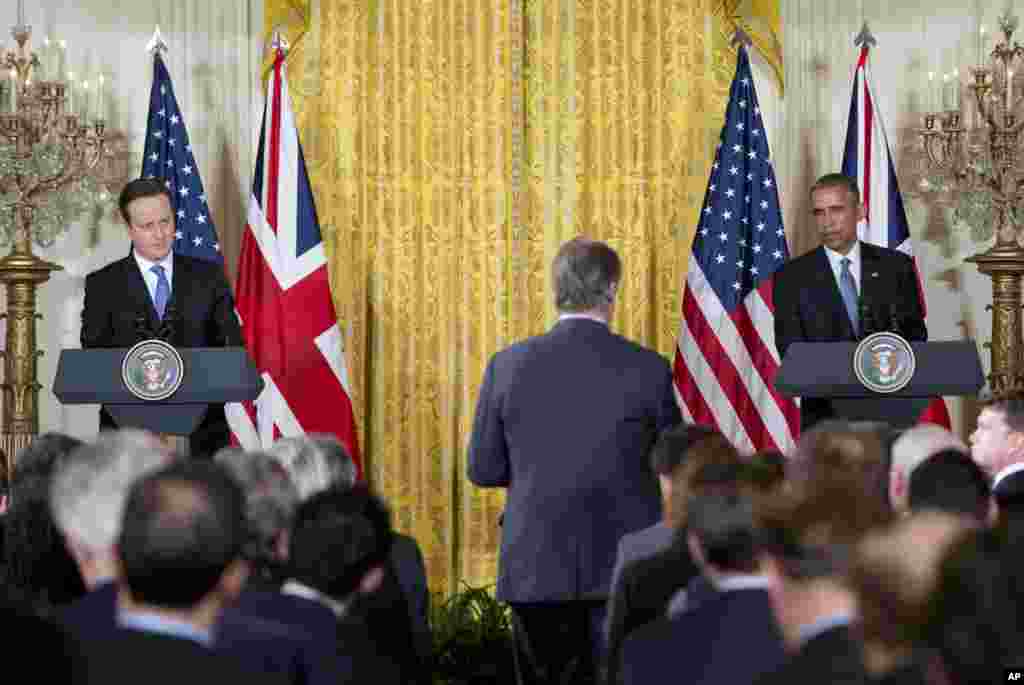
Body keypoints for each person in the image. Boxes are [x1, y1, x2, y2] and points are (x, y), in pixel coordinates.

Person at [468, 237, 681, 684]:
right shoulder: (649, 368)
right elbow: (674, 467)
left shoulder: (506, 366)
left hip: (536, 564)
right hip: (627, 569)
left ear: (555, 288)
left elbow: (484, 470)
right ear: (612, 290)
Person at [80, 178, 243, 458]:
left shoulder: (208, 278)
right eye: (147, 226)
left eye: (165, 222)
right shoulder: (103, 284)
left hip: (201, 438)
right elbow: (94, 355)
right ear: (129, 229)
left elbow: (230, 349)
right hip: (125, 441)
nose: (159, 234)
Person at [773, 173, 927, 430]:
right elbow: (791, 352)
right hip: (826, 421)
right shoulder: (792, 277)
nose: (828, 222)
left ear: (859, 211)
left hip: (889, 415)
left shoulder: (895, 267)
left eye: (836, 210)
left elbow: (914, 338)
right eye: (819, 213)